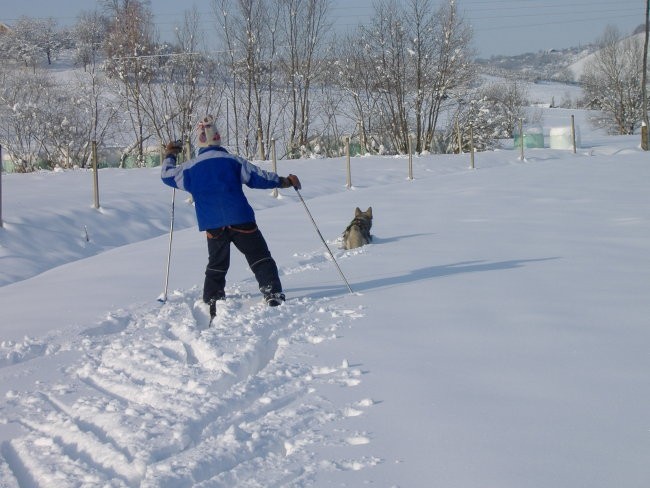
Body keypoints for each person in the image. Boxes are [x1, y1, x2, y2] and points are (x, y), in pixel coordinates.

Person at [161, 115, 301, 317]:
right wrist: (284, 181)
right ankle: (272, 292)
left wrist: (171, 154)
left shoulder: (190, 168)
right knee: (259, 256)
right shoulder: (232, 161)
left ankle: (212, 297)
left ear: (199, 142)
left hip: (212, 223)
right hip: (241, 218)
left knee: (217, 262)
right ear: (218, 139)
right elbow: (258, 178)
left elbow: (167, 176)